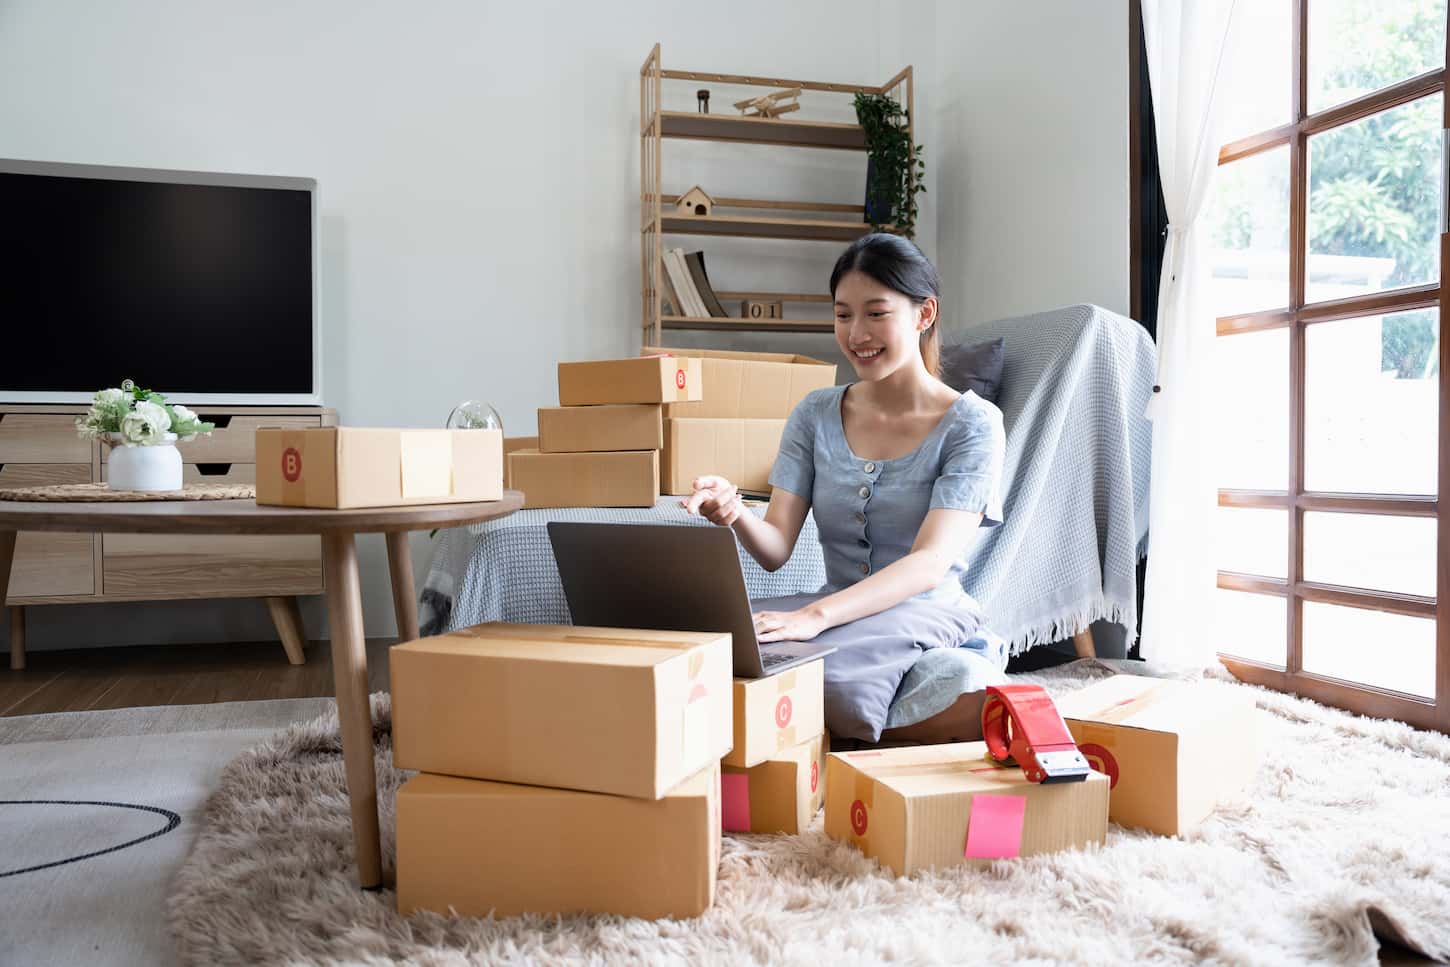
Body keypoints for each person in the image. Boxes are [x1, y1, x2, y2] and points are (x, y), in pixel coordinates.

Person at [682, 233, 1008, 744]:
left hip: (923, 610)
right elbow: (775, 551)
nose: (857, 333)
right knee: (704, 646)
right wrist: (734, 510)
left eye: (876, 314)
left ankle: (820, 731)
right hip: (837, 606)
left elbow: (928, 564)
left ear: (924, 315)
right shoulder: (815, 413)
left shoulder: (973, 424)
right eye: (842, 315)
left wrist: (813, 618)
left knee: (942, 681)